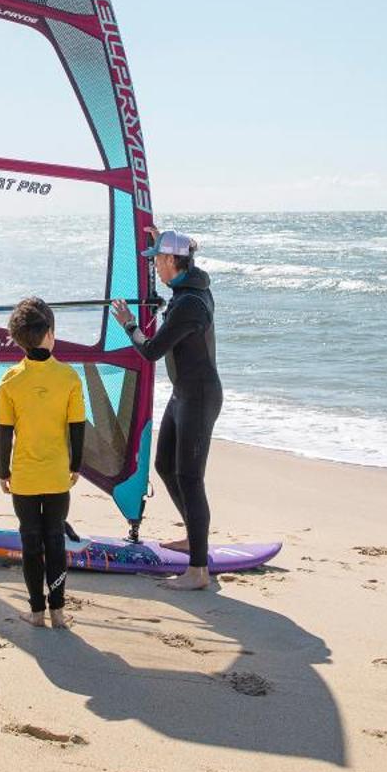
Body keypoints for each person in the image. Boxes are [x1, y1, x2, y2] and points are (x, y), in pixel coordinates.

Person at [110, 229, 220, 591]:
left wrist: (128, 323)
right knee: (163, 465)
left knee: (190, 478)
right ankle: (193, 536)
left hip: (199, 397)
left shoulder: (189, 303)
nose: (154, 265)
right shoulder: (191, 289)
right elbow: (182, 270)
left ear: (172, 262)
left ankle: (198, 570)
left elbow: (152, 349)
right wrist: (164, 240)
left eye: (158, 259)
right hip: (184, 394)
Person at [0, 297, 86, 628]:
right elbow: (77, 428)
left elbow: (5, 432)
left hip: (25, 477)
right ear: (50, 333)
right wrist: (76, 464)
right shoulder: (69, 378)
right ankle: (58, 611)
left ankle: (36, 612)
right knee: (55, 541)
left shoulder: (9, 380)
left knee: (30, 543)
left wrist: (4, 471)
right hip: (57, 474)